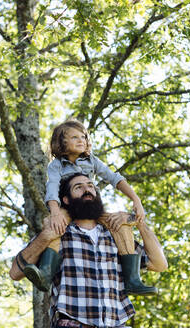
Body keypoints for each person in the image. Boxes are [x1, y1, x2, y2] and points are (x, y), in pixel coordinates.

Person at [9, 173, 168, 327]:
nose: (87, 190)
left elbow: (159, 264)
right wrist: (45, 236)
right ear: (66, 200)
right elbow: (15, 273)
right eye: (78, 187)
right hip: (72, 323)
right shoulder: (57, 236)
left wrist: (138, 221)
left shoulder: (116, 235)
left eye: (91, 186)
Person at [24, 119, 154, 294]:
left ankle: (132, 280)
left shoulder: (91, 160)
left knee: (121, 224)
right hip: (67, 208)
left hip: (91, 208)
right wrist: (55, 212)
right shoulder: (56, 165)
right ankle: (45, 275)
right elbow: (52, 188)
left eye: (84, 137)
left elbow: (114, 177)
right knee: (53, 225)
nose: (81, 140)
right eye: (75, 137)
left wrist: (135, 199)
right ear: (62, 143)